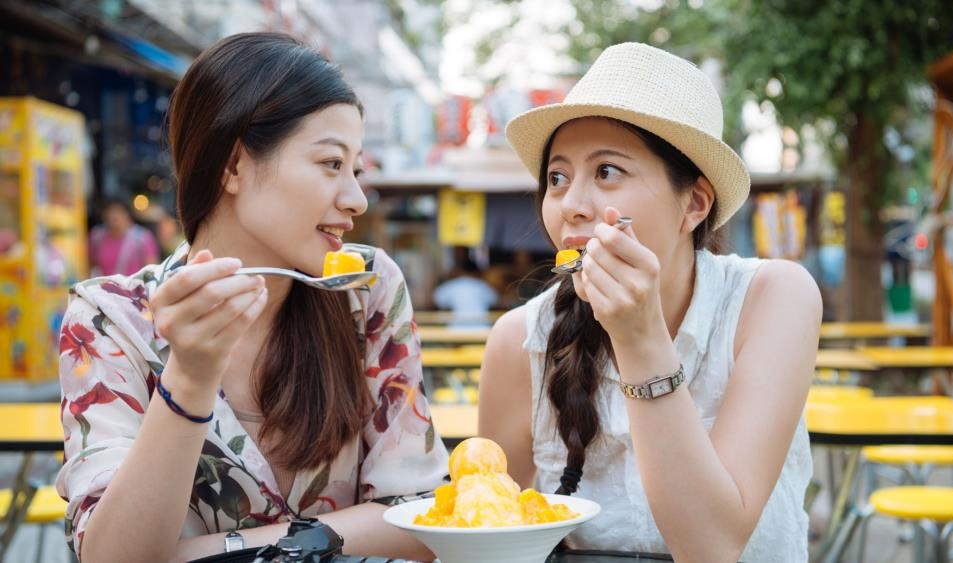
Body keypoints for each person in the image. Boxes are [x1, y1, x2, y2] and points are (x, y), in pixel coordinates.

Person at [56, 32, 448, 562]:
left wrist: (216, 550)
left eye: (355, 169)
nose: (356, 199)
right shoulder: (110, 318)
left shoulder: (367, 288)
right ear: (234, 165)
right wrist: (190, 379)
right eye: (332, 164)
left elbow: (422, 514)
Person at [479, 43, 821, 562]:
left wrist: (638, 337)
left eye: (608, 171)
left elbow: (711, 548)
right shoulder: (519, 340)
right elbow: (491, 536)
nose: (571, 206)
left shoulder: (772, 300)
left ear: (695, 204)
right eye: (557, 177)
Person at [87, 196, 161, 276]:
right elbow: (89, 265)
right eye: (110, 211)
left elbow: (151, 271)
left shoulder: (142, 238)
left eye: (118, 211)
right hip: (101, 287)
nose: (114, 216)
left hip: (134, 287)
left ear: (128, 214)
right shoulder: (97, 237)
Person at [432, 255, 499, 328]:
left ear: (459, 270)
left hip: (457, 329)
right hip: (482, 328)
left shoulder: (451, 285)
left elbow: (437, 300)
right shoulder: (482, 286)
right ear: (477, 272)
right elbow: (495, 301)